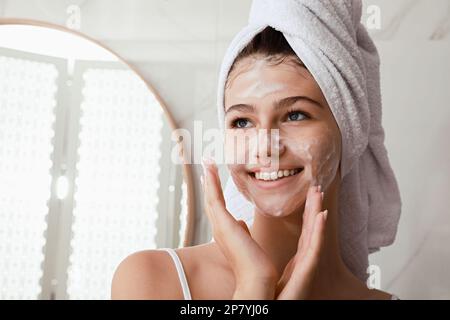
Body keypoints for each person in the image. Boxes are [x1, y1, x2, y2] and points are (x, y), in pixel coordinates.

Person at [111, 24, 400, 300]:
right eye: (242, 121)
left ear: (348, 129)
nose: (264, 147)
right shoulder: (153, 282)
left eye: (295, 115)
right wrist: (252, 288)